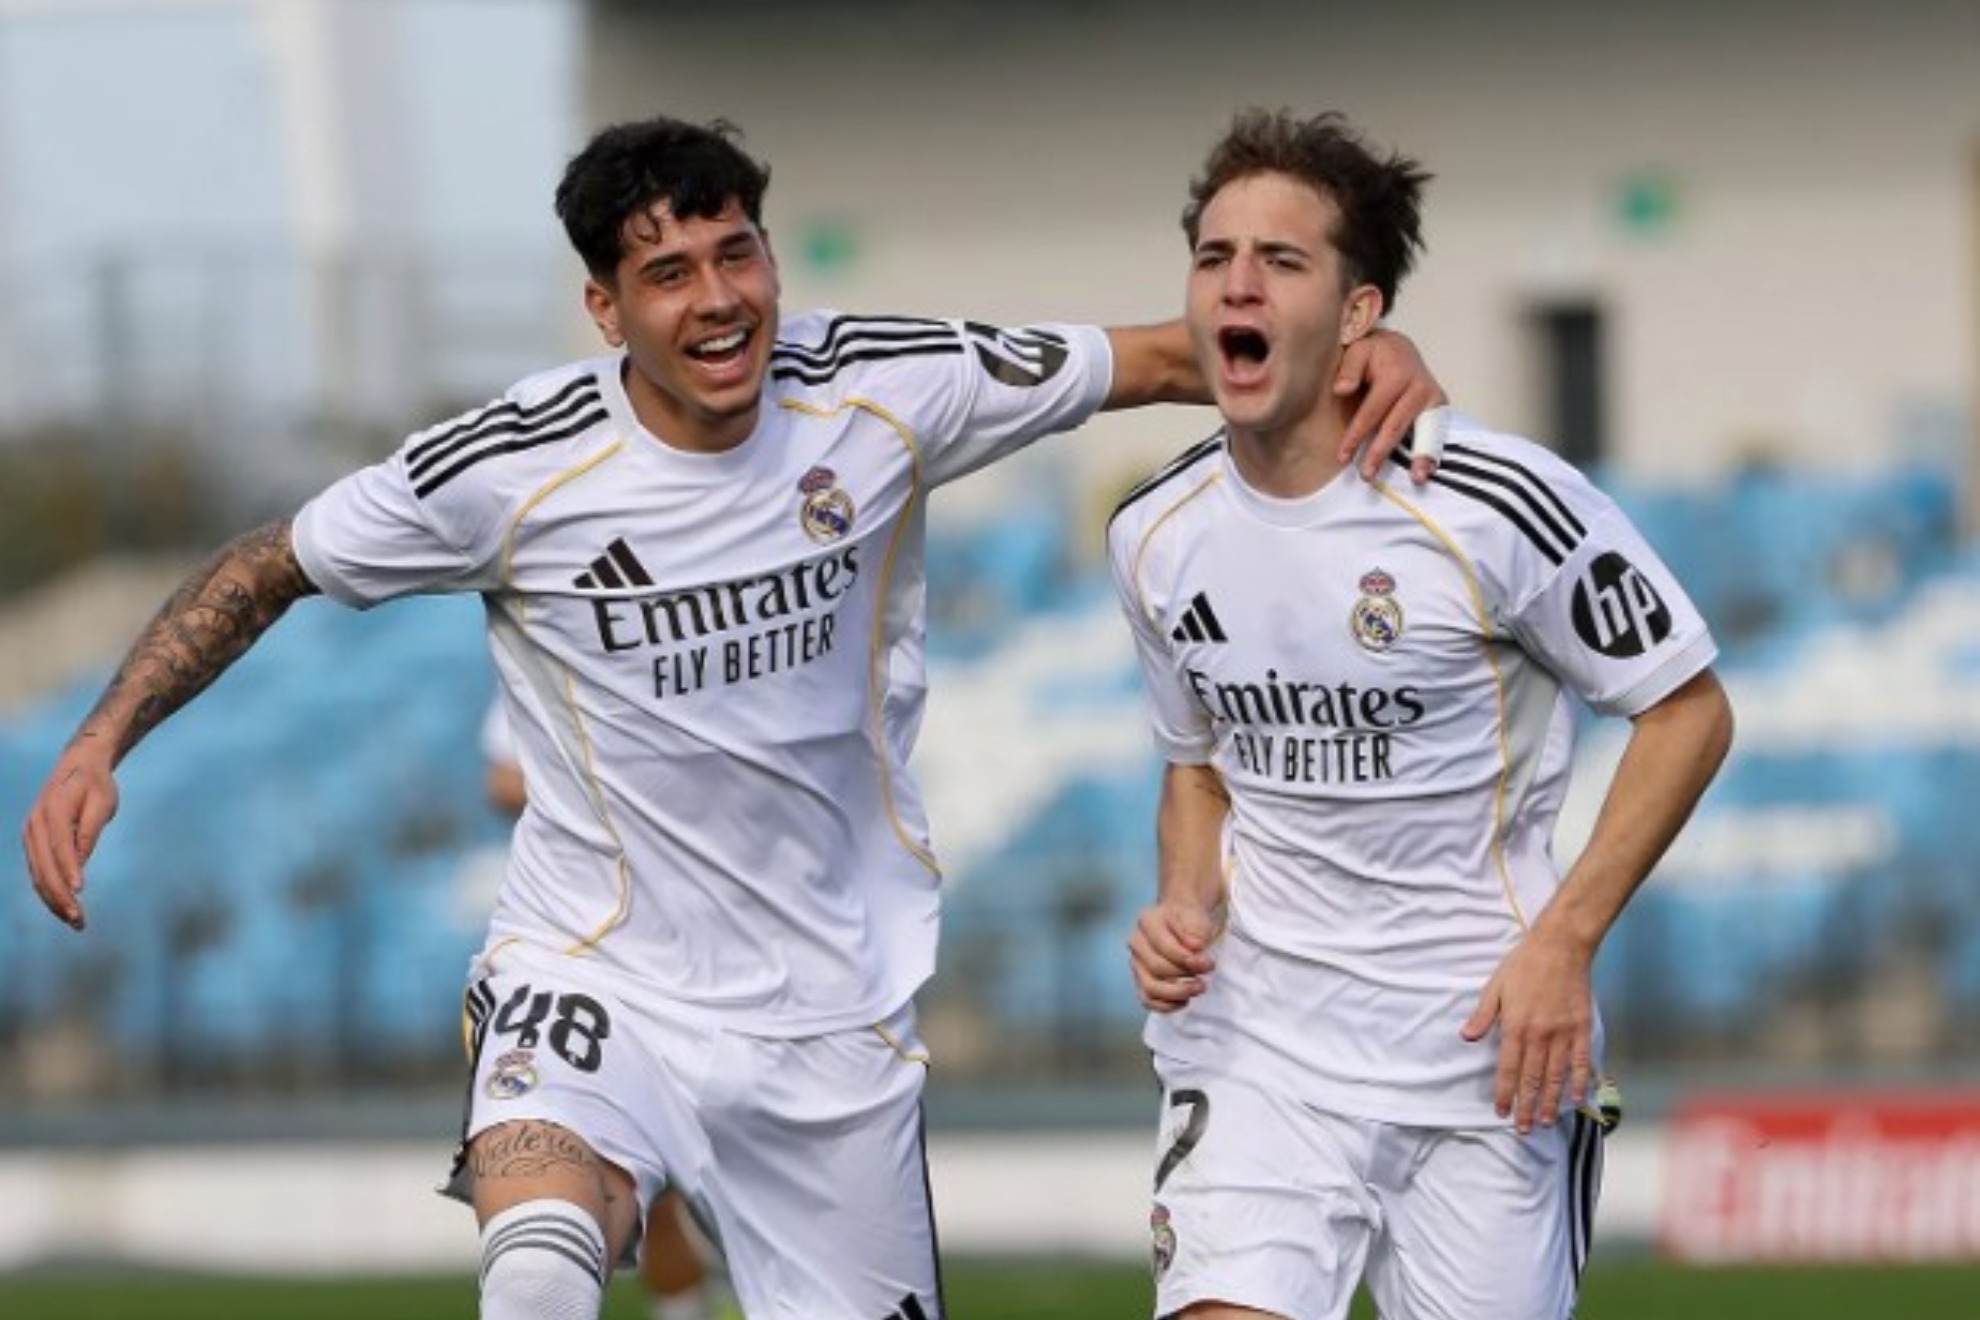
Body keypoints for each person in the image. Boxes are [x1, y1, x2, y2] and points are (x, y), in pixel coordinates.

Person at [22, 114, 1445, 1320]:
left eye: (735, 255)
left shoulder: (890, 386)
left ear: (770, 255)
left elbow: (1176, 356)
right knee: (536, 1275)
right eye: (665, 275)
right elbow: (267, 564)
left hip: (829, 1011)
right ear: (604, 309)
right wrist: (97, 743)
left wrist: (1369, 357)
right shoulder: (510, 466)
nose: (715, 300)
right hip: (598, 966)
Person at [1107, 109, 1734, 1320]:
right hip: (1258, 1054)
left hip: (1483, 1059)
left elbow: (1688, 715)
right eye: (1214, 256)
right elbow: (1197, 770)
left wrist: (1564, 941)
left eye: (1281, 261)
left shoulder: (1496, 501)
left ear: (1359, 317)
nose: (1238, 282)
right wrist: (1187, 901)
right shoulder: (1152, 534)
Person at [481, 700, 731, 1320]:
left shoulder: (727, 653)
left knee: (756, 1199)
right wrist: (614, 790)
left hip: (733, 960)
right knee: (546, 1264)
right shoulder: (559, 654)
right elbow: (504, 779)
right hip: (591, 958)